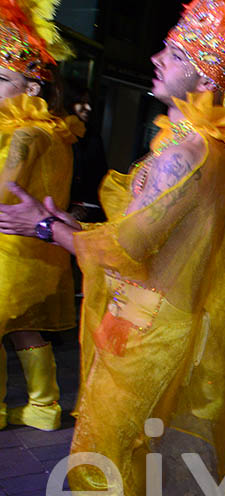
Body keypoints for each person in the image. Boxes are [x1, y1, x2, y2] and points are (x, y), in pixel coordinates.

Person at [0, 0, 225, 496]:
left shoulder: (188, 153)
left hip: (150, 321)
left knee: (97, 453)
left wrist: (50, 229)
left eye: (173, 53)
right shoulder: (194, 147)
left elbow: (134, 246)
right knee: (141, 440)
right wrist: (68, 224)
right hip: (147, 313)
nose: (156, 57)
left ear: (204, 78)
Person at [0, 1, 84, 432]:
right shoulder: (56, 131)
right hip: (38, 247)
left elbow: (4, 190)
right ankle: (44, 405)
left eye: (1, 79)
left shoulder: (24, 133)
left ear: (30, 88)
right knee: (24, 329)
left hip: (9, 248)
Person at [66, 85, 108, 223]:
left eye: (89, 103)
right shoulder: (56, 132)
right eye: (82, 102)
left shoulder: (93, 136)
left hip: (86, 213)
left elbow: (100, 177)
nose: (88, 108)